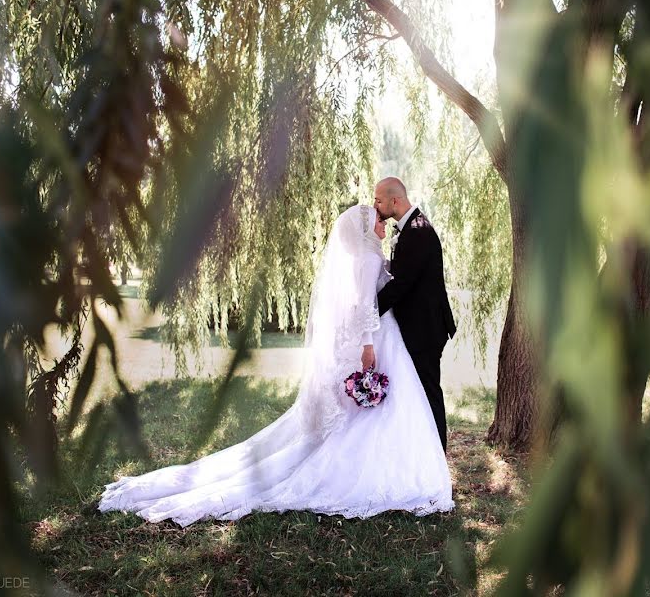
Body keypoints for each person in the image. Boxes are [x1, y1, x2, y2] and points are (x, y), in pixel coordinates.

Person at [97, 204, 454, 527]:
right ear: (363, 229)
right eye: (377, 220)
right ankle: (388, 471)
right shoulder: (368, 258)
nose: (383, 223)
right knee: (379, 413)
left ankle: (389, 463)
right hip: (376, 340)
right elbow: (364, 305)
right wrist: (366, 345)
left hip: (383, 337)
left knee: (377, 412)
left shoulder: (369, 254)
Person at [373, 177, 457, 453]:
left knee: (429, 392)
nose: (376, 205)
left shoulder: (418, 231)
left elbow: (401, 284)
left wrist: (369, 311)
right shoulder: (409, 227)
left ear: (394, 201)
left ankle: (437, 458)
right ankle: (422, 454)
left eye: (379, 200)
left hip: (425, 329)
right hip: (417, 326)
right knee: (419, 392)